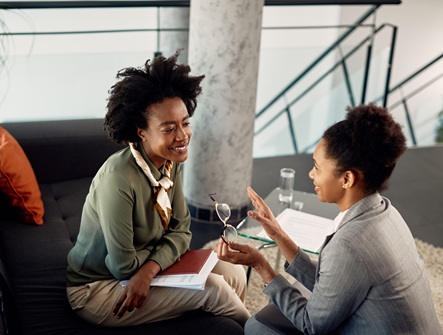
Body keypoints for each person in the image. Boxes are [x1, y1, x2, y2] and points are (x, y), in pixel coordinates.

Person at [217, 104, 442, 334]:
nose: (311, 174)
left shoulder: (349, 244)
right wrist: (277, 233)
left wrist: (261, 266)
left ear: (347, 179)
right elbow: (336, 282)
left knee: (257, 328)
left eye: (317, 167)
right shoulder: (387, 212)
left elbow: (311, 325)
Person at [66, 52, 250, 327]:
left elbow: (182, 230)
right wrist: (160, 257)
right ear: (142, 131)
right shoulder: (119, 179)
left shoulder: (169, 162)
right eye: (168, 128)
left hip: (145, 269)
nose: (182, 136)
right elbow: (123, 266)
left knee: (234, 273)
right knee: (216, 289)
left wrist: (151, 267)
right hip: (100, 289)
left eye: (185, 123)